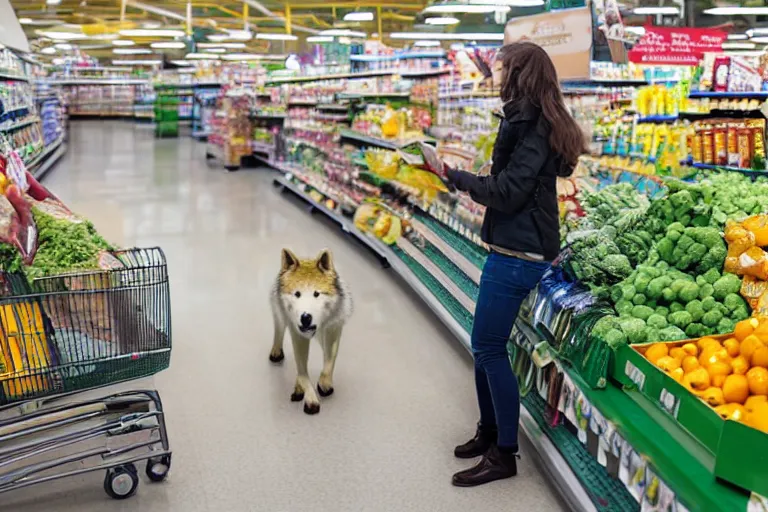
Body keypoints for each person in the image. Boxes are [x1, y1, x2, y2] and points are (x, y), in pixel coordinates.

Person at [445, 42, 587, 487]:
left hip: (520, 253)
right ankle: (489, 432)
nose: (497, 76)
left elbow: (508, 191)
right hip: (512, 245)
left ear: (521, 74)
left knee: (488, 347)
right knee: (481, 346)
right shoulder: (529, 118)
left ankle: (504, 453)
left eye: (503, 69)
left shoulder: (536, 126)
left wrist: (456, 177)